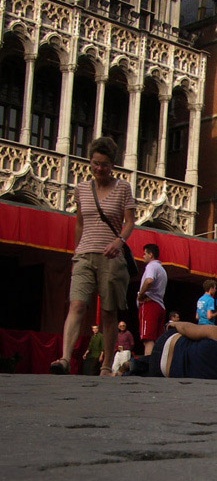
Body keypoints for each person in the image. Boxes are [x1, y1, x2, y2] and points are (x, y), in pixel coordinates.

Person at [51, 138, 136, 376]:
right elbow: (80, 222)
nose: (99, 169)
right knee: (76, 304)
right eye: (95, 163)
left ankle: (107, 365)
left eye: (105, 165)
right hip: (84, 255)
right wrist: (76, 251)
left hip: (111, 257)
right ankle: (65, 358)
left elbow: (129, 222)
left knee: (108, 312)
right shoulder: (81, 189)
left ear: (112, 166)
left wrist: (119, 241)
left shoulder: (123, 188)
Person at [125, 321, 217, 380]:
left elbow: (187, 329)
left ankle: (134, 364)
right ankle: (133, 367)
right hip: (161, 371)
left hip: (165, 343)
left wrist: (172, 324)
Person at [135, 244, 167, 356]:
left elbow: (149, 280)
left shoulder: (151, 266)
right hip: (159, 306)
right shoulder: (162, 269)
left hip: (150, 305)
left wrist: (140, 294)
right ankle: (156, 367)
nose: (143, 256)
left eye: (144, 254)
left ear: (150, 254)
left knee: (148, 339)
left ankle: (149, 366)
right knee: (157, 341)